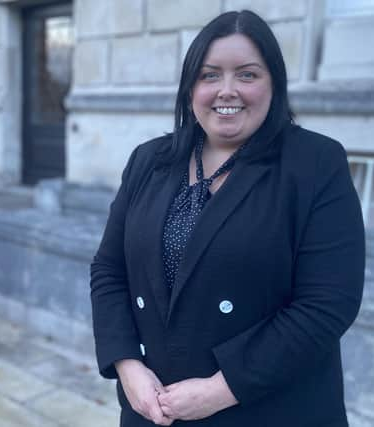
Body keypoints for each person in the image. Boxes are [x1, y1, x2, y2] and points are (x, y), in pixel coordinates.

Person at [90, 10, 364, 427]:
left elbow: (327, 304)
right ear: (190, 88)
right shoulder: (149, 160)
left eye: (248, 75)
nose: (227, 90)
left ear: (275, 83)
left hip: (269, 407)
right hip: (153, 408)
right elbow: (109, 270)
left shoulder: (315, 162)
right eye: (210, 75)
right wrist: (128, 367)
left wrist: (220, 390)